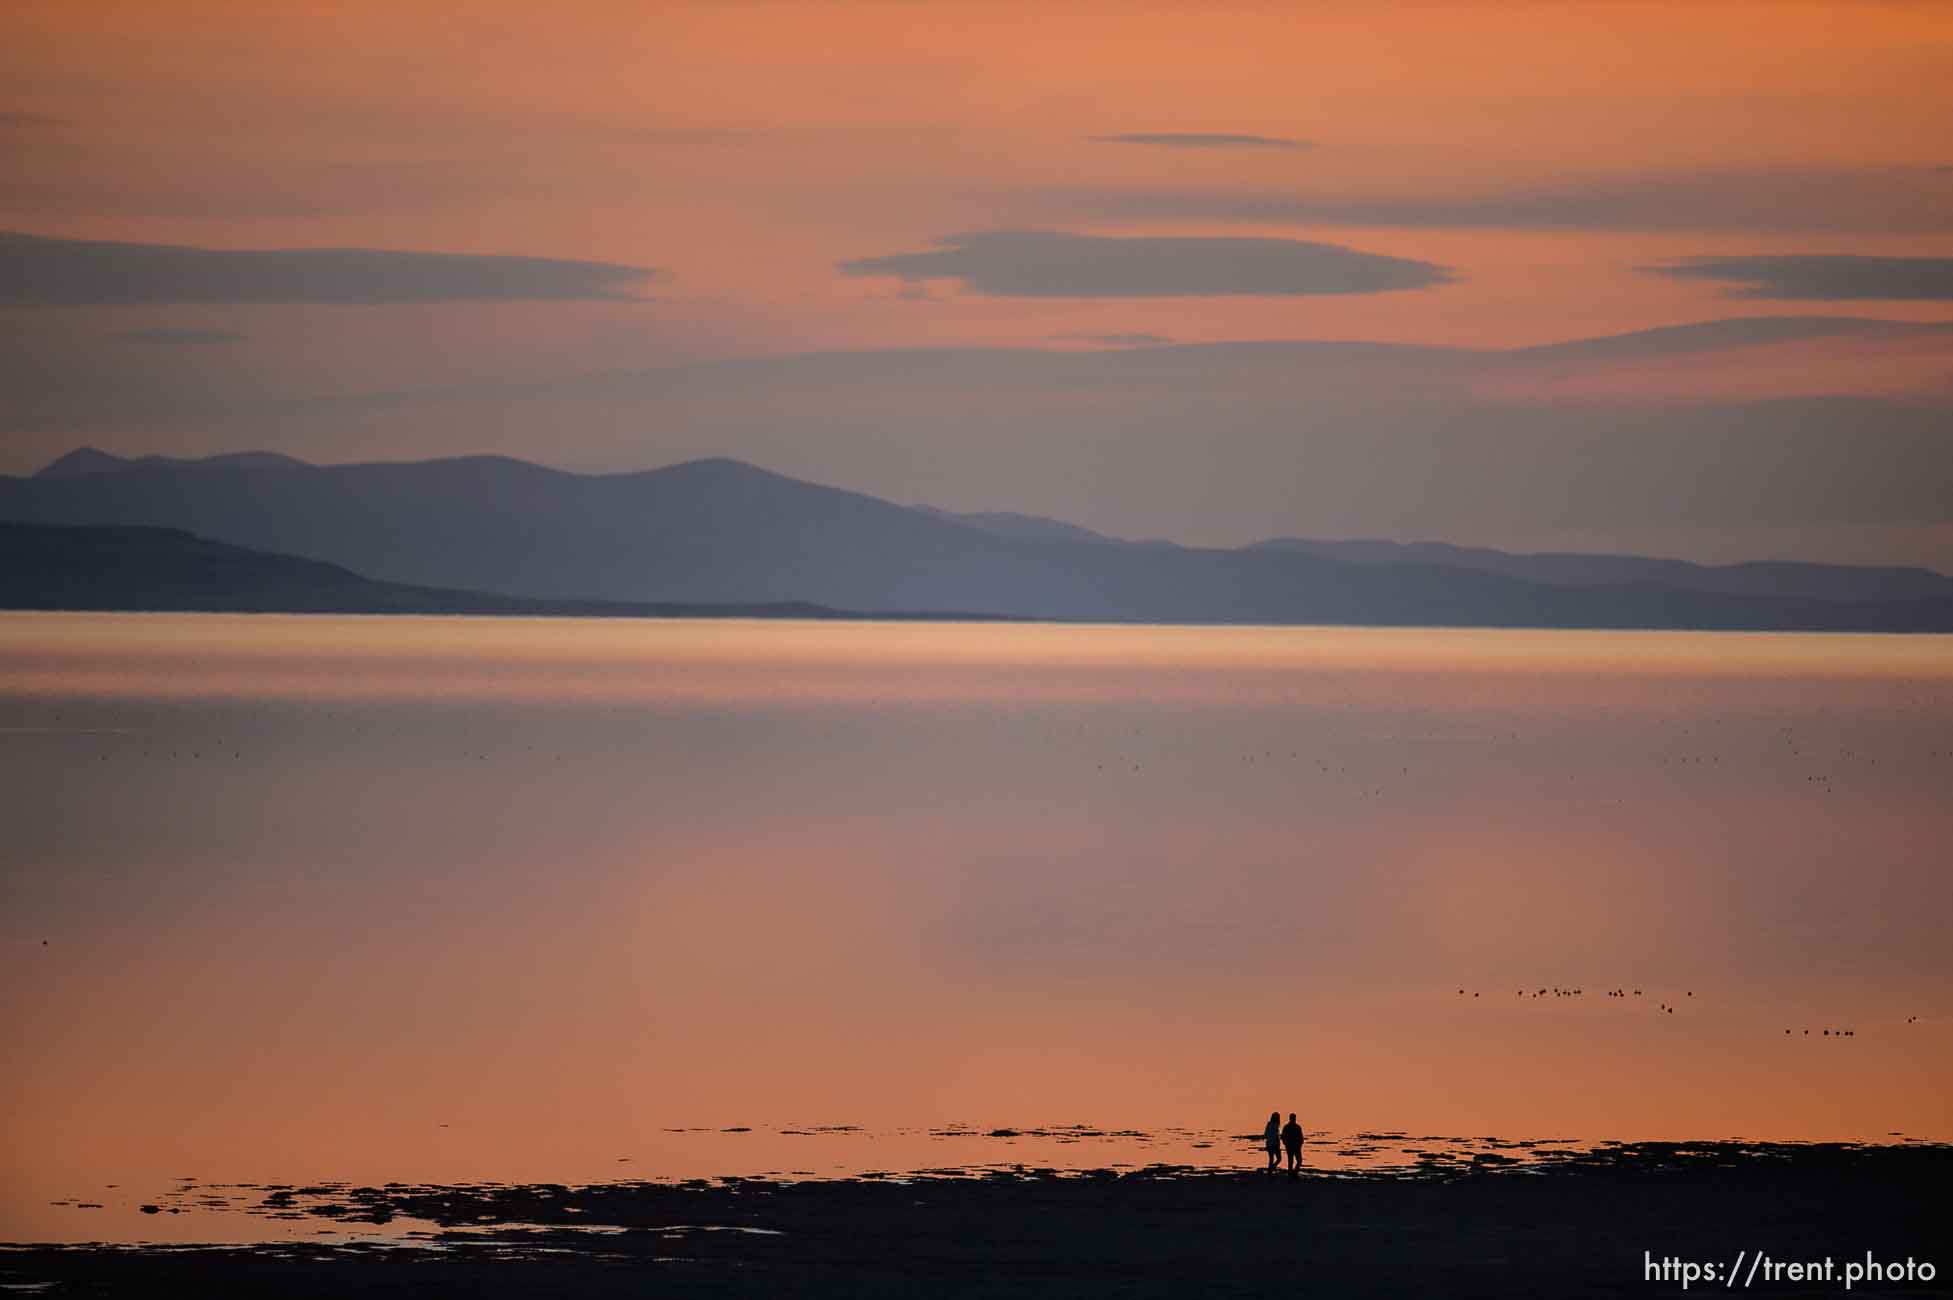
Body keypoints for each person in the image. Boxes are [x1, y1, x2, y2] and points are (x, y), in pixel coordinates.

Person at [1281, 1113, 1304, 1177]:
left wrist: (1285, 1143)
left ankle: (1292, 1173)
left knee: (1293, 1161)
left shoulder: (1287, 1127)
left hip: (1292, 1146)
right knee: (1297, 1161)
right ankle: (1293, 1173)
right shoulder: (1296, 1127)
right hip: (1294, 1146)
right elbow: (1301, 1137)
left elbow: (1282, 1136)